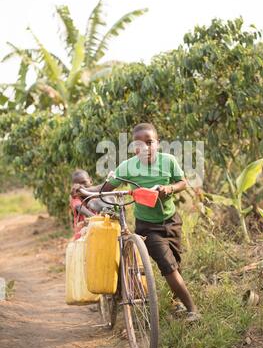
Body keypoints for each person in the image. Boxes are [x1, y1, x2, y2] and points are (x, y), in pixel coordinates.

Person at [92, 123, 200, 322]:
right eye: (139, 145)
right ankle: (192, 309)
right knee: (168, 266)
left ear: (157, 143)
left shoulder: (168, 161)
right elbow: (106, 187)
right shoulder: (127, 167)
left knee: (175, 263)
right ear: (134, 148)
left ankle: (176, 302)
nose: (145, 148)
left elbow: (183, 182)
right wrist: (87, 191)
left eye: (149, 143)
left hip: (172, 220)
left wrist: (170, 189)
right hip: (147, 227)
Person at [70, 169, 114, 239]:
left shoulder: (96, 194)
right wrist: (96, 218)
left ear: (90, 181)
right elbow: (79, 207)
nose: (81, 187)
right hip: (83, 235)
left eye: (84, 182)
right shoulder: (75, 198)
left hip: (99, 230)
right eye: (78, 185)